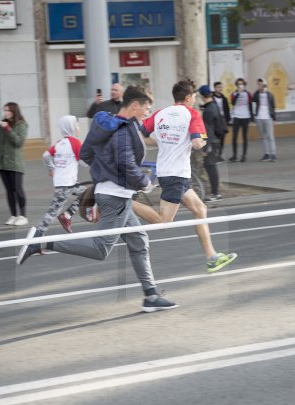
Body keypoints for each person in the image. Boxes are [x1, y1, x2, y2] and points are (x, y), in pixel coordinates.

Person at [17, 85, 178, 313]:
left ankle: (150, 295)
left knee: (139, 241)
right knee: (100, 249)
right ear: (134, 105)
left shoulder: (105, 123)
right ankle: (40, 243)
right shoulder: (123, 130)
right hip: (116, 197)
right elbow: (125, 163)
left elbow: (86, 154)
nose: (147, 113)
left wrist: (104, 174)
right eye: (146, 108)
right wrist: (143, 183)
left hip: (114, 193)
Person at [135, 79, 238, 273]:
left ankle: (212, 257)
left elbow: (142, 134)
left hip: (171, 172)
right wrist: (205, 145)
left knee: (200, 209)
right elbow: (198, 143)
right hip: (176, 175)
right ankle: (125, 202)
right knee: (163, 222)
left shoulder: (160, 114)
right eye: (194, 97)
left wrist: (162, 143)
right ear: (189, 97)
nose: (195, 100)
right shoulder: (192, 114)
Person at [36, 115, 87, 234]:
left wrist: (51, 169)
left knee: (86, 193)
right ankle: (36, 240)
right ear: (71, 127)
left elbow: (46, 155)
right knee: (52, 212)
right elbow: (83, 163)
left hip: (66, 182)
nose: (78, 127)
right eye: (77, 125)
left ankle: (67, 215)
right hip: (66, 184)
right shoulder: (75, 142)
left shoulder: (59, 143)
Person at [0, 102, 28, 226]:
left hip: (15, 163)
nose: (5, 112)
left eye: (8, 110)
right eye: (4, 110)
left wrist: (8, 129)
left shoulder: (21, 125)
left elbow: (18, 142)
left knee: (18, 189)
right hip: (2, 163)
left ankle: (23, 215)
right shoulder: (3, 124)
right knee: (9, 191)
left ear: (14, 111)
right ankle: (13, 215)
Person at [198, 85, 224, 201]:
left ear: (202, 96)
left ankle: (215, 193)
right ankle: (215, 192)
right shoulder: (213, 106)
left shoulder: (208, 111)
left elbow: (206, 131)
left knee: (210, 166)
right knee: (210, 166)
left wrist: (205, 146)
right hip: (215, 140)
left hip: (211, 142)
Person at [252, 78, 277, 162]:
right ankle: (266, 154)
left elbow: (273, 107)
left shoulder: (270, 95)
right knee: (263, 137)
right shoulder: (256, 94)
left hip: (268, 117)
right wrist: (258, 90)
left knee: (270, 137)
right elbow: (253, 101)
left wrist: (274, 119)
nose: (259, 85)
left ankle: (273, 154)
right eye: (258, 84)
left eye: (260, 84)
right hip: (259, 118)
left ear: (264, 84)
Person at [229, 78, 254, 162]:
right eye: (239, 84)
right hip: (236, 116)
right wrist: (238, 94)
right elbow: (233, 102)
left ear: (244, 85)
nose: (240, 85)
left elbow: (250, 105)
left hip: (246, 117)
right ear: (236, 85)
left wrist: (252, 118)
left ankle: (244, 155)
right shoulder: (234, 93)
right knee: (234, 137)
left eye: (242, 84)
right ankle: (234, 155)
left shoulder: (248, 94)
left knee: (244, 137)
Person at [211, 81, 230, 161]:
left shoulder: (224, 98)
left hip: (222, 120)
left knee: (222, 138)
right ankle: (214, 155)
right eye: (218, 87)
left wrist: (227, 120)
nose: (220, 89)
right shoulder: (211, 97)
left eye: (221, 87)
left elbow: (227, 109)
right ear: (215, 88)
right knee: (215, 138)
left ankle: (219, 155)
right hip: (214, 120)